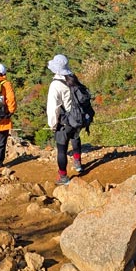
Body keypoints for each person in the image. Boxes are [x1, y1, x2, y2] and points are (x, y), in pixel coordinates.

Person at [46, 54, 84, 185]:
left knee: (62, 149)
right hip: (77, 117)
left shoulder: (55, 85)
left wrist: (52, 124)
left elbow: (53, 107)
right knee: (75, 138)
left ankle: (63, 177)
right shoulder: (72, 78)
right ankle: (78, 162)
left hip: (64, 121)